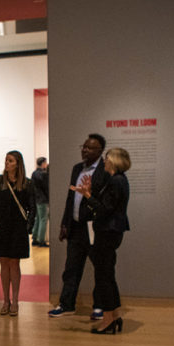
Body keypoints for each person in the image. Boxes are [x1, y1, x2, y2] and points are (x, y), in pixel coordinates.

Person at [70, 147, 131, 333]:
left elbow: (104, 210)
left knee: (103, 277)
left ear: (113, 161)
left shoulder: (115, 182)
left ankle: (108, 320)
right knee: (108, 275)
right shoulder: (119, 181)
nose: (104, 161)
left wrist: (87, 195)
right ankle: (115, 315)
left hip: (107, 232)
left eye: (107, 159)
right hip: (112, 232)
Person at [48, 134, 108, 318]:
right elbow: (70, 198)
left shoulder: (105, 171)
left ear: (100, 151)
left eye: (90, 148)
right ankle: (67, 305)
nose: (85, 150)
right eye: (84, 146)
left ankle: (99, 306)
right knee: (71, 267)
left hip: (94, 228)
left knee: (100, 267)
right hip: (75, 227)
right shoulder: (77, 169)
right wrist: (64, 224)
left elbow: (104, 202)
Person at [0, 150, 35, 316]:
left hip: (18, 229)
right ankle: (5, 300)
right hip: (1, 228)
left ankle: (15, 300)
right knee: (4, 263)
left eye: (11, 161)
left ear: (18, 164)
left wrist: (29, 226)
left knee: (15, 264)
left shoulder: (27, 183)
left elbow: (33, 207)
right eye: (6, 160)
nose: (7, 163)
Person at [31, 156, 49, 247]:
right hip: (43, 199)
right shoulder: (43, 174)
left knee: (38, 218)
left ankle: (34, 238)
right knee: (43, 219)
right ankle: (41, 240)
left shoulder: (34, 173)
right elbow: (46, 188)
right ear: (43, 163)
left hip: (37, 199)